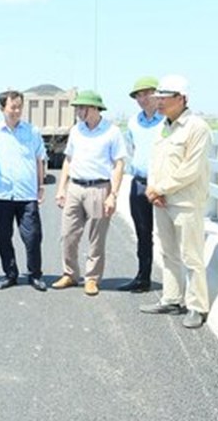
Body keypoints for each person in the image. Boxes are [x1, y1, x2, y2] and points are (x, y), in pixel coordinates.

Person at [140, 75, 212, 329]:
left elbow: (190, 170)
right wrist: (154, 189)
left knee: (191, 256)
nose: (158, 102)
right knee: (168, 253)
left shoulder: (197, 128)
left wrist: (159, 188)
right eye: (157, 97)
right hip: (162, 200)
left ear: (181, 99)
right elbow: (155, 161)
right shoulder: (164, 126)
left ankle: (197, 306)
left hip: (185, 203)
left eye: (164, 97)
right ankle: (172, 299)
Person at [52, 90, 126, 296]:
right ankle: (70, 273)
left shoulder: (112, 132)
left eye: (82, 107)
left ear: (94, 109)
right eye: (77, 107)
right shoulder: (76, 130)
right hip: (75, 187)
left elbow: (119, 164)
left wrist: (113, 194)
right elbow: (68, 160)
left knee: (96, 236)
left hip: (99, 188)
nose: (78, 111)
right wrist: (61, 188)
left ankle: (92, 278)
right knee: (68, 234)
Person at [0, 90, 48, 292]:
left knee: (33, 237)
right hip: (1, 194)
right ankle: (10, 274)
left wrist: (41, 187)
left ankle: (35, 274)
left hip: (26, 194)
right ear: (2, 108)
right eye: (13, 107)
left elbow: (40, 160)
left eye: (19, 106)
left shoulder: (32, 131)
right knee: (3, 237)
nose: (17, 110)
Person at [117, 76, 163, 292]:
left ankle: (176, 286)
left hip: (164, 185)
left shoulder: (167, 120)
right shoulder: (134, 122)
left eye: (147, 93)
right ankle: (143, 277)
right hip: (139, 183)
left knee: (169, 234)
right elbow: (132, 148)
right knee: (143, 233)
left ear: (157, 94)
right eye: (138, 95)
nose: (142, 99)